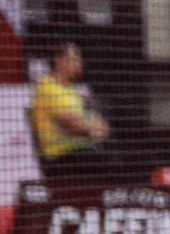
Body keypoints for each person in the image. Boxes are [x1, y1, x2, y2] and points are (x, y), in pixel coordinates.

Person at [29, 43, 111, 182]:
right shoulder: (47, 87)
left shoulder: (72, 91)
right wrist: (92, 129)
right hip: (60, 160)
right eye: (75, 58)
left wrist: (90, 127)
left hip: (81, 155)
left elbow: (101, 124)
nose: (80, 63)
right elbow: (74, 126)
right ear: (59, 61)